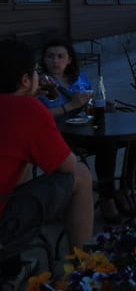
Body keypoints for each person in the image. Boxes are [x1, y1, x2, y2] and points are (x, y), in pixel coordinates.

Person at [0, 39, 93, 264]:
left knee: (23, 161)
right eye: (35, 72)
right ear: (25, 80)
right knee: (80, 174)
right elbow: (67, 166)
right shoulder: (28, 110)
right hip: (4, 219)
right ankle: (84, 266)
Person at [37, 39, 136, 223]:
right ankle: (107, 197)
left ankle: (125, 188)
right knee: (107, 143)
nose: (55, 61)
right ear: (44, 59)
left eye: (60, 56)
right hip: (61, 135)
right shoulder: (40, 85)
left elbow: (90, 103)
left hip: (87, 128)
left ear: (69, 59)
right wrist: (71, 105)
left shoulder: (80, 78)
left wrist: (102, 105)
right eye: (50, 56)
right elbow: (38, 115)